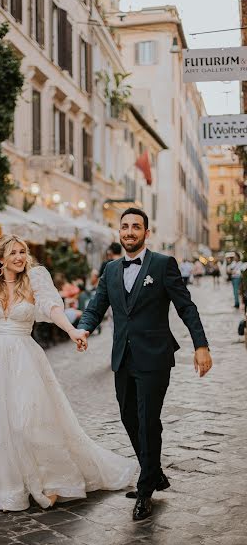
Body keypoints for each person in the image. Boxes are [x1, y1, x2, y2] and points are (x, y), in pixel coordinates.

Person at [0, 202, 137, 512]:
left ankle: (49, 478)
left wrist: (73, 331)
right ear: (1, 258)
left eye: (22, 251)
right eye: (13, 252)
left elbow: (53, 309)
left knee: (27, 419)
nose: (19, 257)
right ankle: (3, 480)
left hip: (23, 358)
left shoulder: (36, 281)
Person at [76, 208, 212, 521]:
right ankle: (155, 472)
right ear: (119, 232)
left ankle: (146, 488)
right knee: (128, 417)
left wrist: (201, 345)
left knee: (148, 420)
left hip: (154, 357)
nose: (130, 231)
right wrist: (83, 327)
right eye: (125, 227)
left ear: (145, 233)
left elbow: (185, 307)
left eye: (136, 226)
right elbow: (96, 307)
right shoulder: (110, 270)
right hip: (123, 358)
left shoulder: (163, 265)